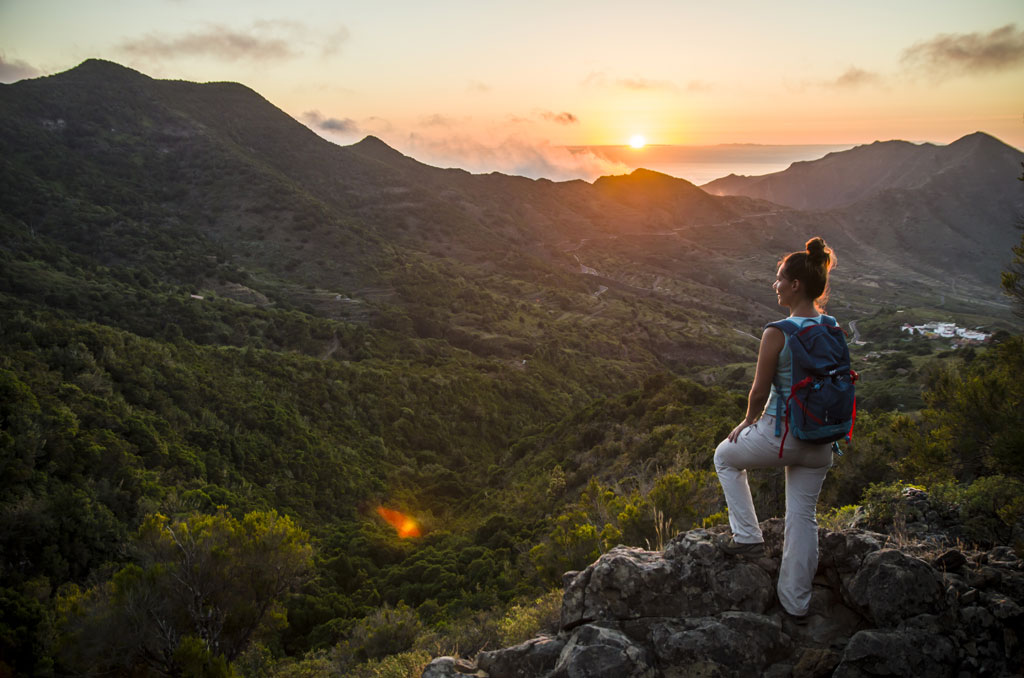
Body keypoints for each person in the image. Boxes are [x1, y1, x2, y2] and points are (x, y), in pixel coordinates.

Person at [713, 236, 838, 621]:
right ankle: (796, 603)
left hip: (781, 435)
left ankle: (748, 537)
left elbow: (759, 389)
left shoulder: (777, 331)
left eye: (779, 278)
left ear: (795, 285)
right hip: (822, 441)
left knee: (725, 456)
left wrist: (748, 421)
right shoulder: (831, 326)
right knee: (803, 516)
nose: (775, 284)